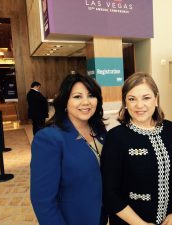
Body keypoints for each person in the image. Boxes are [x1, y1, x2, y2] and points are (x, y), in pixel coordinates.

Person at [101, 72, 172, 225]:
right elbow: (109, 193)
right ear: (125, 102)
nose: (139, 105)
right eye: (132, 99)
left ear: (156, 99)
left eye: (146, 98)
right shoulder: (116, 137)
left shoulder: (170, 130)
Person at [30, 73, 107, 225]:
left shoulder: (99, 130)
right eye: (77, 96)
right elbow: (42, 201)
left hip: (100, 216)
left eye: (91, 95)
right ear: (65, 101)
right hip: (72, 219)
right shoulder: (49, 138)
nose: (86, 102)